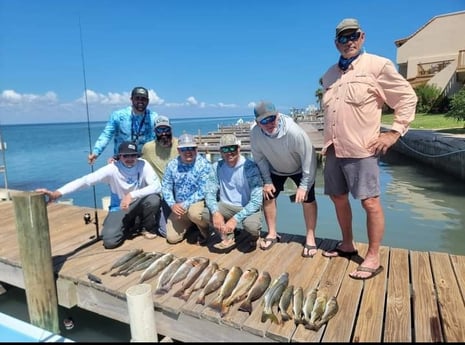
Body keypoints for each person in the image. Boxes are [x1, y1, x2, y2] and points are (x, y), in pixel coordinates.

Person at [320, 18, 418, 280]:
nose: (348, 41)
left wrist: (394, 132)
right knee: (338, 198)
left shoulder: (378, 65)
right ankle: (347, 244)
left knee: (370, 202)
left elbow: (407, 98)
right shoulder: (329, 75)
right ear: (336, 43)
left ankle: (373, 257)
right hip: (332, 149)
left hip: (361, 148)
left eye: (353, 36)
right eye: (343, 38)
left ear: (362, 37)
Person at [37, 141, 162, 249]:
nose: (130, 158)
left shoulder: (143, 164)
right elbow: (85, 181)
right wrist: (57, 193)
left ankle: (147, 227)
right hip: (119, 207)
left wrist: (131, 195)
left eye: (133, 155)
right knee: (110, 242)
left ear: (137, 156)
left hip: (137, 202)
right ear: (119, 156)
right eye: (126, 156)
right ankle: (129, 224)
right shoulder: (111, 169)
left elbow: (157, 186)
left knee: (154, 199)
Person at [250, 101, 318, 257]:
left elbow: (309, 158)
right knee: (268, 196)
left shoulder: (294, 132)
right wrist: (267, 181)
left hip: (300, 167)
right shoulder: (254, 134)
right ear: (257, 122)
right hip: (275, 168)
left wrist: (304, 185)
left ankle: (310, 237)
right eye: (264, 121)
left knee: (308, 199)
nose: (269, 123)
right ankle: (272, 233)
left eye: (272, 118)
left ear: (278, 115)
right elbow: (259, 159)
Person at [202, 134, 263, 253]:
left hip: (247, 206)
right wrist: (215, 213)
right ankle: (228, 236)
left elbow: (256, 201)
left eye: (232, 148)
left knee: (252, 227)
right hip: (226, 206)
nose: (229, 152)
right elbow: (209, 192)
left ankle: (254, 236)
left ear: (239, 149)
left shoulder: (250, 167)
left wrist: (235, 219)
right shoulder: (216, 167)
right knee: (205, 213)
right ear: (220, 152)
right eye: (225, 149)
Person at [161, 133, 212, 245]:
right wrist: (172, 205)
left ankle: (206, 230)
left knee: (194, 214)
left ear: (196, 149)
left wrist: (184, 204)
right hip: (179, 207)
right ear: (179, 150)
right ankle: (192, 227)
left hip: (197, 204)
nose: (188, 151)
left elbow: (203, 190)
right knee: (172, 239)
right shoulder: (171, 165)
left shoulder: (204, 164)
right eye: (184, 149)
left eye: (191, 148)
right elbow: (166, 187)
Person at [88, 86, 158, 164]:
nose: (140, 101)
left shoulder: (154, 117)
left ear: (148, 101)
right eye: (137, 98)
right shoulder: (118, 115)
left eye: (143, 99)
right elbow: (107, 135)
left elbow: (161, 138)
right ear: (131, 99)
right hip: (121, 161)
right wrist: (96, 152)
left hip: (145, 162)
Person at [141, 115, 179, 237]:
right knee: (165, 232)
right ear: (155, 132)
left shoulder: (180, 145)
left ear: (171, 129)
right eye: (159, 130)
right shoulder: (148, 148)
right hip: (163, 195)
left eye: (166, 129)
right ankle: (154, 220)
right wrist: (116, 160)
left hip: (181, 193)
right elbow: (136, 163)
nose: (163, 133)